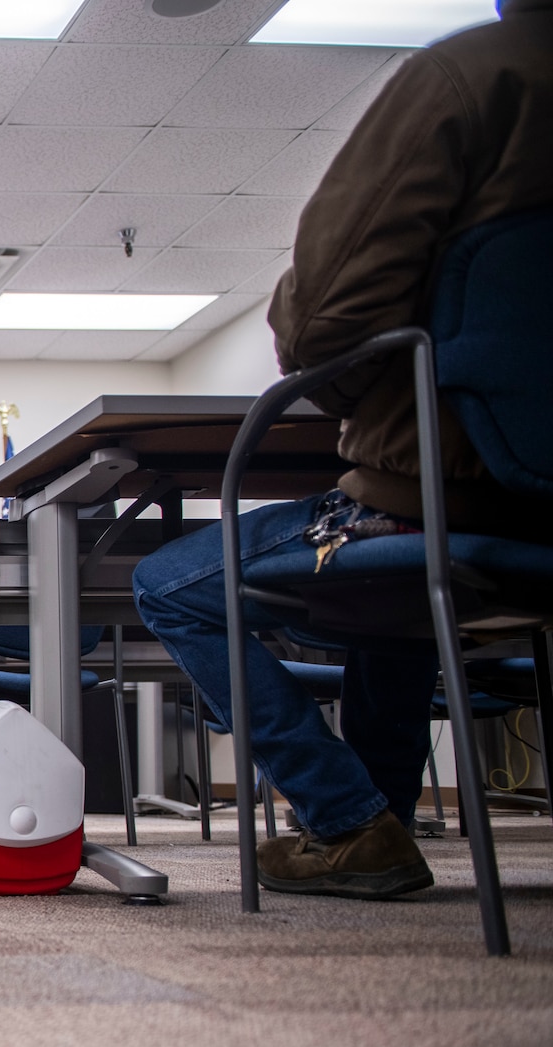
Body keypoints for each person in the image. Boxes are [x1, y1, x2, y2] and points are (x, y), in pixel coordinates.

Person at [130, 0, 551, 899]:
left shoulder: (471, 78)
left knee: (168, 584)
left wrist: (375, 409)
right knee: (395, 598)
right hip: (523, 518)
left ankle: (347, 817)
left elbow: (324, 321)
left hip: (455, 488)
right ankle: (380, 816)